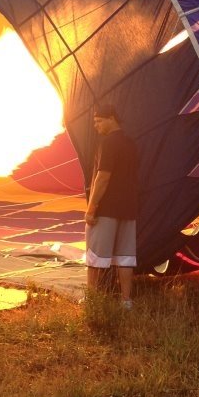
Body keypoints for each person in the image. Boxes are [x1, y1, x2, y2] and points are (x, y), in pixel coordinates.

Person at [85, 102, 138, 309]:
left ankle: (92, 302)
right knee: (125, 258)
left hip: (106, 210)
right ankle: (126, 301)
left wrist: (91, 208)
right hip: (128, 208)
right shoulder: (131, 144)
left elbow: (103, 178)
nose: (96, 126)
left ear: (110, 119)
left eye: (98, 121)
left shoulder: (108, 143)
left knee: (95, 258)